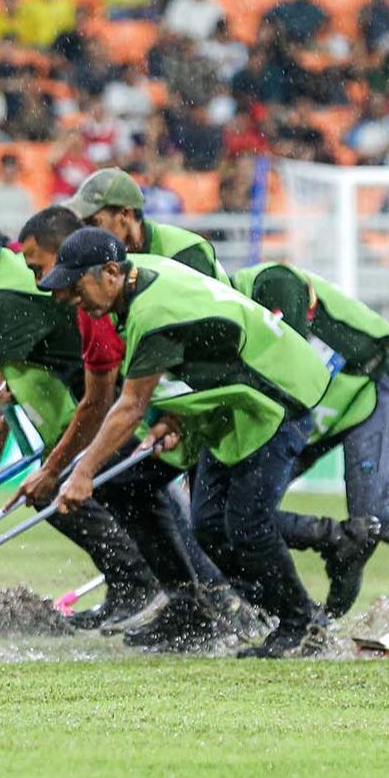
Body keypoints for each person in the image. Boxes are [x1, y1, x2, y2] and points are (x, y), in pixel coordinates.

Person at [41, 230, 332, 657]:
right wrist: (174, 416)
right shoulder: (143, 278)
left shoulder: (153, 310)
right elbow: (200, 345)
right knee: (210, 527)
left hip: (278, 398)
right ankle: (278, 615)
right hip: (231, 407)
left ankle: (301, 624)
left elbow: (130, 406)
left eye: (75, 286)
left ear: (110, 273)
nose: (69, 298)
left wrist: (82, 474)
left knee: (247, 524)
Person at [0, 195, 169, 625]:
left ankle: (145, 589)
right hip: (89, 407)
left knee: (61, 490)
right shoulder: (3, 276)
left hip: (101, 407)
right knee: (80, 495)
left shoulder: (4, 294)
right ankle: (141, 591)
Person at [15, 205, 253, 643]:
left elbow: (111, 402)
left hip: (216, 407)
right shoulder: (98, 302)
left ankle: (228, 607)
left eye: (51, 273)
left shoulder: (118, 299)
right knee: (154, 495)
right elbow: (106, 398)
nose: (56, 292)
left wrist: (67, 471)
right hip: (172, 414)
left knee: (208, 516)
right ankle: (190, 604)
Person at [231, 262, 389, 615]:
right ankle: (303, 606)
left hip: (372, 381)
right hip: (313, 405)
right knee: (244, 513)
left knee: (376, 511)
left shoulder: (270, 285)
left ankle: (330, 564)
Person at [67, 168, 228, 282]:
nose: (87, 233)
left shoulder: (184, 252)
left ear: (125, 214)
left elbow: (205, 322)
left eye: (95, 222)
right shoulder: (109, 258)